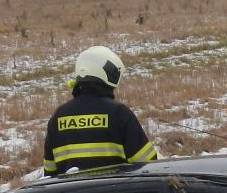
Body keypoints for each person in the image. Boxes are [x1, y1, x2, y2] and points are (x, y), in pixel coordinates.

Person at [43, 45, 157, 177]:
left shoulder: (58, 117)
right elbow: (148, 165)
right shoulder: (118, 113)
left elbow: (49, 174)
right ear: (107, 76)